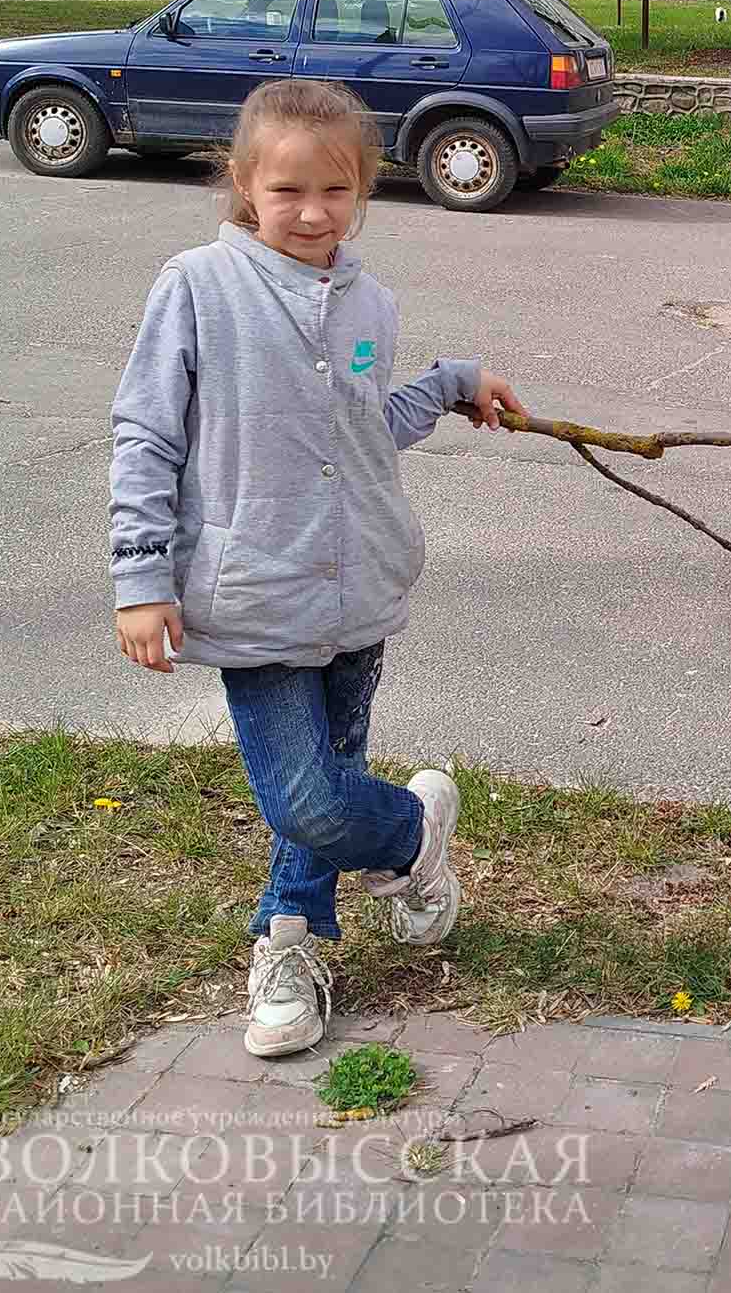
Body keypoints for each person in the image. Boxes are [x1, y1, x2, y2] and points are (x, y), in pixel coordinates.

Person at [108, 78, 527, 1058]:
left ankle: (289, 943)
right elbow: (145, 435)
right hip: (253, 593)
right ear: (242, 182)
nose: (311, 212)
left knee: (325, 785)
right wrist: (140, 578)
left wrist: (452, 384)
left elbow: (366, 427)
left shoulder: (368, 301)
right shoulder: (197, 286)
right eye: (287, 190)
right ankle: (415, 833)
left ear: (364, 189)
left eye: (335, 190)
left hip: (359, 584)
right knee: (303, 797)